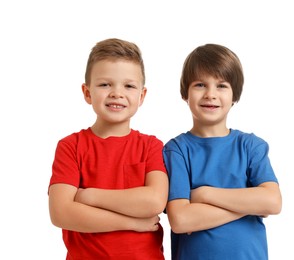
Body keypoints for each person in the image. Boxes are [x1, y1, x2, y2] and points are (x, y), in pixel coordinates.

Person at [48, 38, 169, 259]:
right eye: (105, 84)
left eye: (129, 85)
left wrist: (90, 196)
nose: (116, 93)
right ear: (87, 93)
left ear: (141, 96)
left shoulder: (151, 146)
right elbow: (61, 213)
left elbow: (154, 201)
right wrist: (133, 222)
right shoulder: (70, 146)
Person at [163, 43, 282, 260]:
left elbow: (272, 202)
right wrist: (250, 205)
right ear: (185, 93)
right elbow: (181, 220)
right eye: (200, 85)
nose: (210, 94)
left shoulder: (250, 146)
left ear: (234, 94)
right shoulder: (177, 150)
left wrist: (203, 194)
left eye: (221, 86)